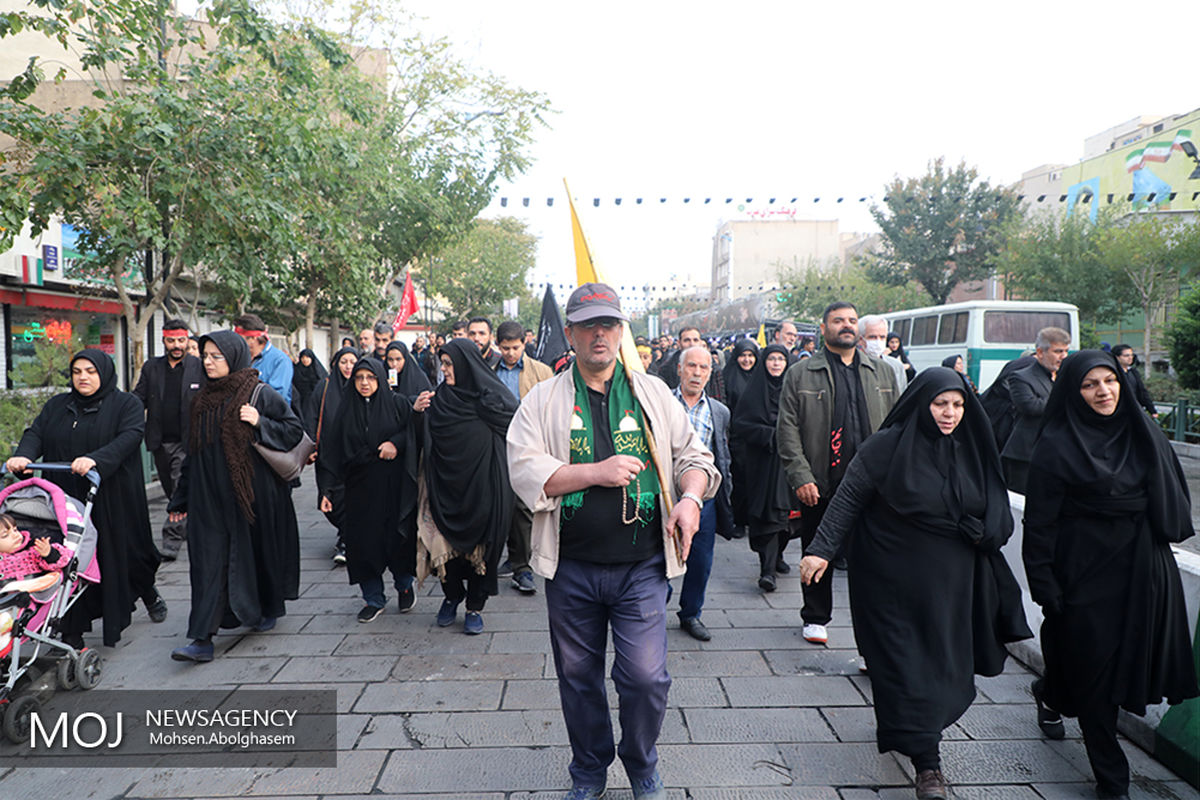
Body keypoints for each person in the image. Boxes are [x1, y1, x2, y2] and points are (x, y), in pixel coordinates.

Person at [507, 283, 718, 800]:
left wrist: (690, 500)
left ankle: (642, 762)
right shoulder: (544, 399)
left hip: (641, 565)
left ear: (620, 332)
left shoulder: (652, 395)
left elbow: (696, 460)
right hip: (571, 567)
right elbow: (523, 470)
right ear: (571, 334)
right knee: (578, 679)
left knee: (645, 678)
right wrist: (594, 473)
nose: (599, 334)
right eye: (588, 325)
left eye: (609, 324)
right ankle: (589, 768)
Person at [799, 368, 1031, 800]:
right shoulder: (886, 447)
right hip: (891, 581)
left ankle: (914, 726)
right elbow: (849, 497)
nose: (949, 413)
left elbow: (997, 505)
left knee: (944, 668)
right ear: (921, 403)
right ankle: (929, 766)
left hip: (952, 584)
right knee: (905, 666)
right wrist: (821, 550)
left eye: (958, 405)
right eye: (940, 404)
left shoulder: (973, 448)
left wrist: (985, 529)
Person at [1023, 351, 1198, 800]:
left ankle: (1048, 690)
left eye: (1110, 381)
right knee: (1093, 672)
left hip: (1143, 571)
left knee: (1111, 670)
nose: (1103, 391)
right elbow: (1040, 523)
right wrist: (1044, 582)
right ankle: (1112, 778)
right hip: (1083, 571)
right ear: (1073, 392)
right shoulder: (1056, 444)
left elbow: (1174, 506)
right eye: (1089, 385)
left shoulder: (1145, 433)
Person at [7, 350, 164, 646]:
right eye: (77, 371)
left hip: (112, 495)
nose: (83, 377)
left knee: (129, 555)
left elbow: (130, 437)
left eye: (91, 371)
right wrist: (24, 456)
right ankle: (72, 632)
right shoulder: (58, 405)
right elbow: (36, 432)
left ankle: (147, 589)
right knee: (70, 559)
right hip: (66, 497)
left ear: (104, 373)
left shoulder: (125, 404)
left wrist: (95, 460)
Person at [167, 331, 304, 662]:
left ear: (235, 357)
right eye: (206, 356)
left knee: (255, 556)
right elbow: (193, 453)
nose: (210, 363)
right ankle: (201, 638)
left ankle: (266, 607)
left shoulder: (258, 393)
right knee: (207, 563)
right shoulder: (200, 400)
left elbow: (293, 430)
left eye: (217, 356)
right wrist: (180, 499)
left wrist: (259, 423)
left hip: (252, 495)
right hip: (208, 497)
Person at [776, 301, 898, 644]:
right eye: (839, 320)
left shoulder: (882, 372)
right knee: (817, 550)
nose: (847, 325)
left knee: (871, 561)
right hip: (822, 482)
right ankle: (815, 616)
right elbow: (786, 429)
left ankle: (872, 633)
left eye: (852, 320)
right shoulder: (801, 373)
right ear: (824, 326)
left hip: (872, 485)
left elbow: (897, 426)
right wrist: (801, 476)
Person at [318, 357, 431, 622]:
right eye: (359, 378)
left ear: (380, 379)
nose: (365, 383)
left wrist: (396, 443)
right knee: (363, 545)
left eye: (370, 377)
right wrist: (326, 490)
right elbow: (331, 453)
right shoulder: (345, 411)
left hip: (393, 488)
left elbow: (414, 432)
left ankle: (404, 585)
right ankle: (373, 598)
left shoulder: (397, 404)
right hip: (358, 491)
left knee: (397, 541)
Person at [418, 338, 517, 635]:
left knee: (481, 550)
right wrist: (416, 411)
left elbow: (517, 426)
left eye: (449, 364)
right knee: (442, 545)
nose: (445, 370)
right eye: (443, 364)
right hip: (445, 487)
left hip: (484, 488)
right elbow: (424, 437)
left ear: (465, 364)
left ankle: (475, 605)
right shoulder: (439, 399)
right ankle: (452, 596)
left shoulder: (491, 398)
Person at [671, 345, 732, 641]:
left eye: (703, 368)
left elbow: (723, 455)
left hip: (704, 498)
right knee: (658, 558)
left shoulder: (719, 411)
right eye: (691, 366)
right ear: (680, 369)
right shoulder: (662, 403)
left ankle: (691, 613)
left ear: (710, 372)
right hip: (666, 495)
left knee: (701, 560)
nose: (697, 373)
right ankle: (652, 610)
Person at [133, 318, 205, 561]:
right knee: (172, 489)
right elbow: (138, 399)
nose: (176, 345)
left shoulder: (198, 367)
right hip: (159, 441)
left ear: (187, 340)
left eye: (181, 340)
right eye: (171, 340)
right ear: (164, 340)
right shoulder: (152, 367)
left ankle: (171, 540)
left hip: (188, 442)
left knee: (177, 488)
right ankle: (191, 525)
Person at [732, 344, 800, 592]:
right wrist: (769, 435)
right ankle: (767, 569)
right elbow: (741, 424)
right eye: (771, 359)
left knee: (787, 517)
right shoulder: (753, 391)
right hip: (762, 463)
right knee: (768, 514)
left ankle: (778, 556)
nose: (776, 364)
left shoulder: (794, 390)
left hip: (789, 462)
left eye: (781, 359)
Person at [493, 320, 554, 594]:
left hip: (529, 447)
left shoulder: (541, 372)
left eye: (515, 348)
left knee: (523, 508)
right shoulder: (490, 371)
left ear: (524, 344)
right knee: (496, 505)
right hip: (495, 446)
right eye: (505, 348)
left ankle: (523, 566)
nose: (510, 353)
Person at [307, 346, 362, 564]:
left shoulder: (362, 385)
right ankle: (345, 533)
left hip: (355, 454)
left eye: (352, 362)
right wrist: (311, 446)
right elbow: (312, 416)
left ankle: (346, 541)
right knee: (329, 500)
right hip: (328, 455)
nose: (348, 367)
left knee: (353, 497)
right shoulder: (324, 387)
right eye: (344, 362)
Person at [1000, 326, 1069, 493]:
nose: (1063, 357)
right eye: (1058, 351)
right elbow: (1029, 406)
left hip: (1059, 452)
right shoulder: (1020, 377)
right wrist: (1065, 399)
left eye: (1066, 351)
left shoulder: (1065, 376)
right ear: (1040, 352)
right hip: (1026, 455)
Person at [0, 513, 71, 593]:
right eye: (5, 535)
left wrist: (49, 553)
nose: (15, 535)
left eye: (15, 530)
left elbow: (62, 562)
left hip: (33, 594)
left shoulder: (33, 549)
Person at [234, 313, 293, 404]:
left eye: (240, 339)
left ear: (253, 338)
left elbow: (275, 397)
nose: (236, 343)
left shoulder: (280, 360)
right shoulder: (241, 358)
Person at [860, 314, 908, 393]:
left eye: (882, 337)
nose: (878, 341)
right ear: (861, 339)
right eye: (872, 337)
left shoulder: (895, 366)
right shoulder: (853, 365)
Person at [1111, 344, 1158, 417]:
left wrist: (1152, 410)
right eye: (1126, 356)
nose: (1130, 358)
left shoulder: (1133, 372)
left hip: (1133, 411)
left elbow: (1142, 391)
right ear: (1117, 357)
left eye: (1131, 355)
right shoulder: (1112, 374)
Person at [721, 338, 758, 413]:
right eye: (742, 355)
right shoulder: (727, 378)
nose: (746, 360)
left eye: (750, 355)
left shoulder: (761, 377)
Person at [290, 348, 327, 421]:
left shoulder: (318, 371)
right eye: (303, 357)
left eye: (307, 357)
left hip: (314, 401)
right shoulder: (296, 370)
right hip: (299, 401)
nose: (305, 359)